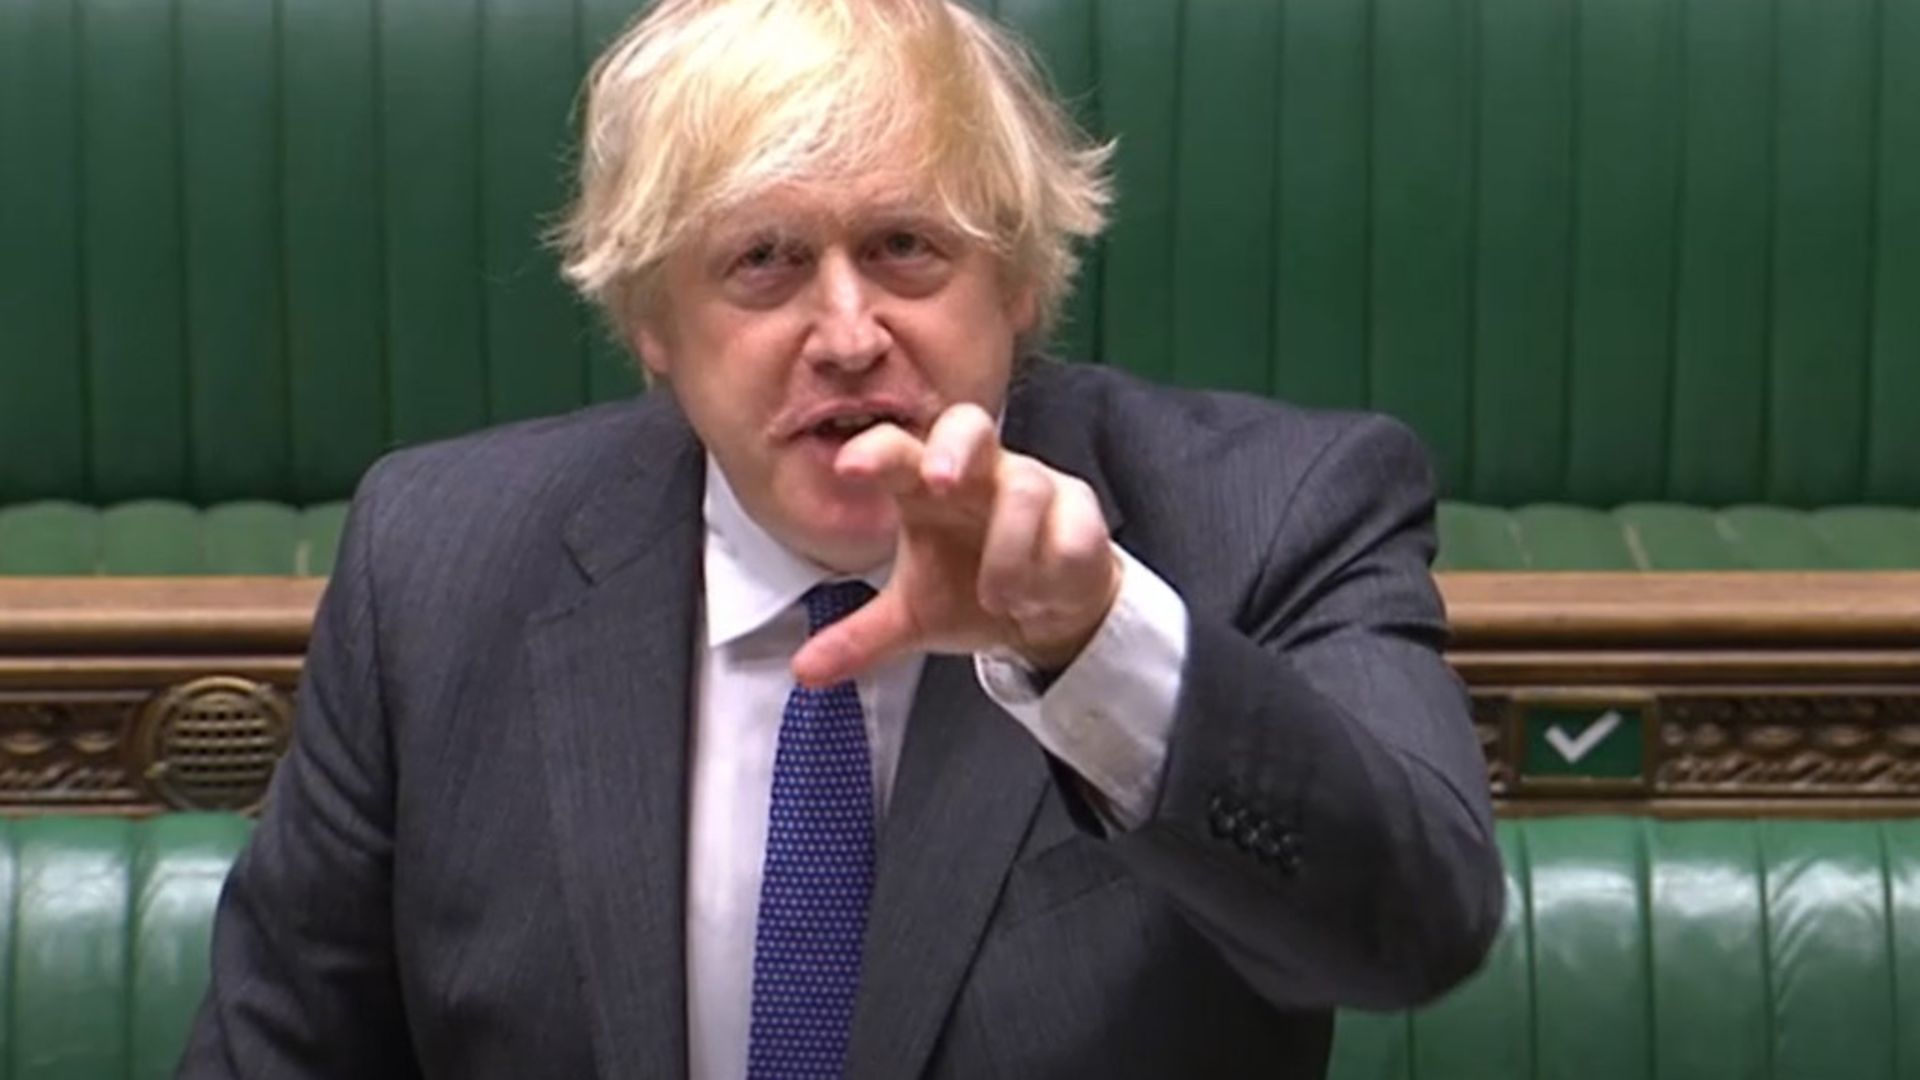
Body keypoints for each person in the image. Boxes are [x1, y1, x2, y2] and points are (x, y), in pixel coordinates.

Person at [179, 1, 1502, 1077]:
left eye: (908, 246)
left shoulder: (1268, 512)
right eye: (763, 260)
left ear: (1023, 280)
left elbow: (1415, 932)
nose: (850, 332)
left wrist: (1095, 647)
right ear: (651, 319)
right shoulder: (439, 565)